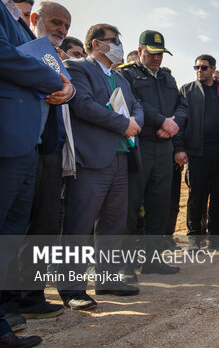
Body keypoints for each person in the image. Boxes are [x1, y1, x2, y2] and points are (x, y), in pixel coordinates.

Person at [0, 0, 65, 347]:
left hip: (25, 142)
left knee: (11, 232)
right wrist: (53, 79)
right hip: (6, 137)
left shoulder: (12, 16)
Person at [57, 23, 142, 310]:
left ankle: (106, 277)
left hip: (120, 159)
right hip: (92, 159)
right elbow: (82, 104)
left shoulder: (121, 77)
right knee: (79, 224)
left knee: (112, 224)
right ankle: (71, 288)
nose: (119, 45)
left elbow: (136, 105)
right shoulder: (78, 68)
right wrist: (123, 123)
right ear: (96, 44)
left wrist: (136, 122)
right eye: (114, 40)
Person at [119, 30, 187, 276]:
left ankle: (152, 259)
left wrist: (172, 125)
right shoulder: (126, 74)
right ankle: (125, 265)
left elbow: (182, 105)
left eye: (161, 54)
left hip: (164, 147)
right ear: (140, 51)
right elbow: (133, 103)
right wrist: (161, 122)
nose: (157, 59)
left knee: (159, 205)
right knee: (131, 206)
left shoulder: (168, 77)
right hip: (139, 147)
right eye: (152, 54)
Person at [174, 55, 219, 250]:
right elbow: (180, 123)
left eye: (204, 67)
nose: (199, 70)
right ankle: (194, 238)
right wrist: (179, 148)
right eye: (196, 67)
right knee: (196, 196)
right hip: (197, 154)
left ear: (213, 69)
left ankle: (217, 238)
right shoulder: (187, 90)